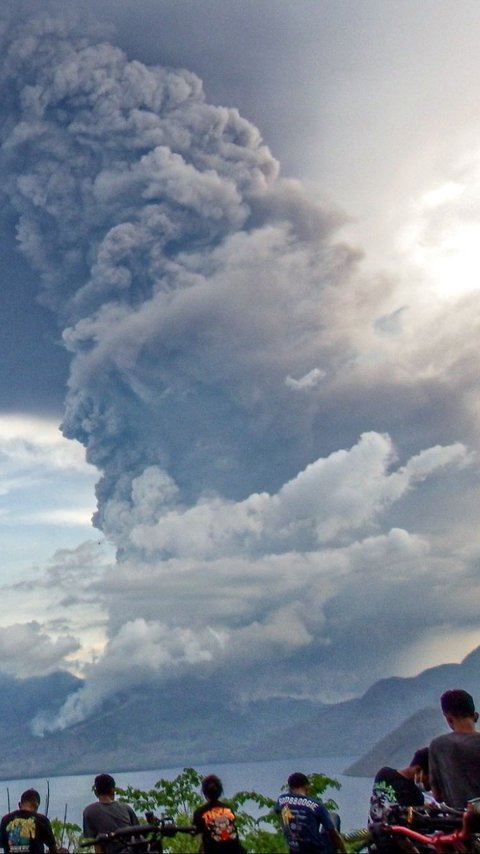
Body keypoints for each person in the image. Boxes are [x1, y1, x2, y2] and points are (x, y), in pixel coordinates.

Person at [429, 688, 480, 809]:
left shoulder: (438, 746)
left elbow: (437, 796)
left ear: (449, 718)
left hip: (458, 823)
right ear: (474, 714)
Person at [274, 772, 347, 854]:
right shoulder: (316, 805)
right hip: (318, 851)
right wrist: (344, 851)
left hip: (295, 849)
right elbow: (333, 834)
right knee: (333, 816)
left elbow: (280, 815)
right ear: (307, 787)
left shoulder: (281, 800)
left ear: (289, 788)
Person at [368, 747, 431, 825]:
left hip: (375, 832)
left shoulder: (383, 774)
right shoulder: (415, 795)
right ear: (418, 771)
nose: (430, 786)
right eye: (430, 779)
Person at [82, 774, 138, 854]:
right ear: (112, 790)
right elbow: (138, 833)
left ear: (96, 792)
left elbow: (97, 844)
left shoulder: (89, 812)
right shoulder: (126, 808)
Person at [192, 775, 246, 853]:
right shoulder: (228, 809)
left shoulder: (200, 812)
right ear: (220, 792)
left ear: (204, 793)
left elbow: (195, 830)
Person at [0, 788, 57, 854]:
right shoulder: (42, 820)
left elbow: (2, 844)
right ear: (36, 806)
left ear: (19, 804)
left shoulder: (5, 820)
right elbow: (52, 847)